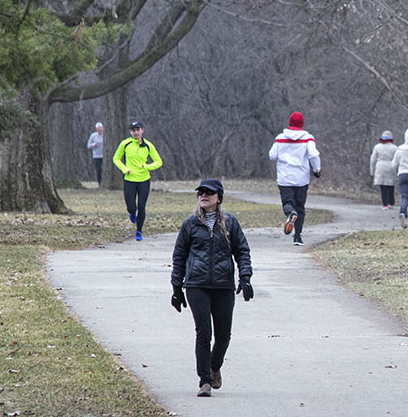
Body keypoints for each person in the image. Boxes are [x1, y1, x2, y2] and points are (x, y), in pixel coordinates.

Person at [170, 179, 253, 397]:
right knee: (203, 332)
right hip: (197, 285)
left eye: (209, 192)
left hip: (223, 286)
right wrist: (176, 288)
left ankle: (214, 367)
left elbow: (242, 251)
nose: (203, 196)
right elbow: (179, 256)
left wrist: (245, 277)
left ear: (219, 198)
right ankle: (204, 381)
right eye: (201, 193)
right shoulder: (190, 224)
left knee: (223, 335)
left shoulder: (231, 223)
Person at [268, 111, 321, 246]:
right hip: (302, 178)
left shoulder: (280, 138)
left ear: (290, 123)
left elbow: (272, 156)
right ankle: (297, 236)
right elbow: (314, 155)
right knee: (300, 206)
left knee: (287, 203)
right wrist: (316, 170)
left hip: (284, 177)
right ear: (301, 124)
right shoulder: (308, 138)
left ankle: (290, 213)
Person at [112, 121, 163, 242]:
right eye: (133, 130)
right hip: (129, 180)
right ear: (130, 132)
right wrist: (125, 169)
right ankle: (131, 213)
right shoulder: (125, 144)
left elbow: (158, 161)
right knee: (131, 207)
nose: (136, 132)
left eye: (137, 130)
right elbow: (116, 158)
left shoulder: (148, 145)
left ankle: (139, 231)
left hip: (144, 180)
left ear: (142, 131)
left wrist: (147, 166)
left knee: (141, 206)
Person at [369, 130, 398, 209]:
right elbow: (397, 159)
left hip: (380, 166)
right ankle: (391, 203)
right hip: (391, 165)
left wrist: (372, 171)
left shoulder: (377, 147)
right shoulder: (395, 148)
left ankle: (385, 204)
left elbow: (373, 160)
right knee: (390, 184)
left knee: (383, 185)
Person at [86, 122, 104, 187]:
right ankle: (100, 183)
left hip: (104, 156)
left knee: (105, 170)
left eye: (101, 128)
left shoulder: (106, 135)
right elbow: (88, 146)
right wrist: (94, 145)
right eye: (98, 128)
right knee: (98, 170)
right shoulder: (93, 136)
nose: (100, 129)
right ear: (96, 129)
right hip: (96, 156)